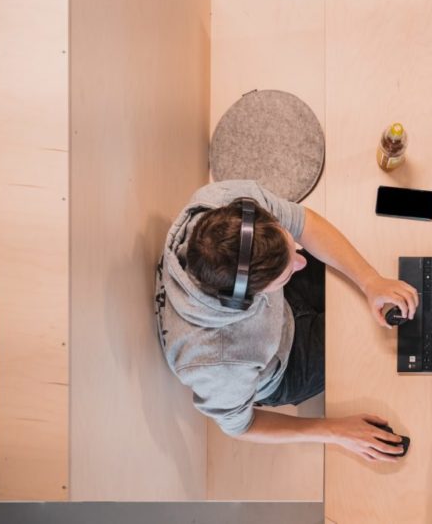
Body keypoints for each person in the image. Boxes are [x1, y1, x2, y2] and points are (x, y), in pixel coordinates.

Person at [155, 180, 418, 463]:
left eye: (289, 246)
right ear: (248, 299)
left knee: (391, 298)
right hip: (286, 364)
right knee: (376, 345)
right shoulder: (217, 362)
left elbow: (304, 223)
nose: (301, 262)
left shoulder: (222, 201)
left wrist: (370, 280)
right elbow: (242, 426)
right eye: (286, 272)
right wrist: (336, 431)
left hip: (281, 307)